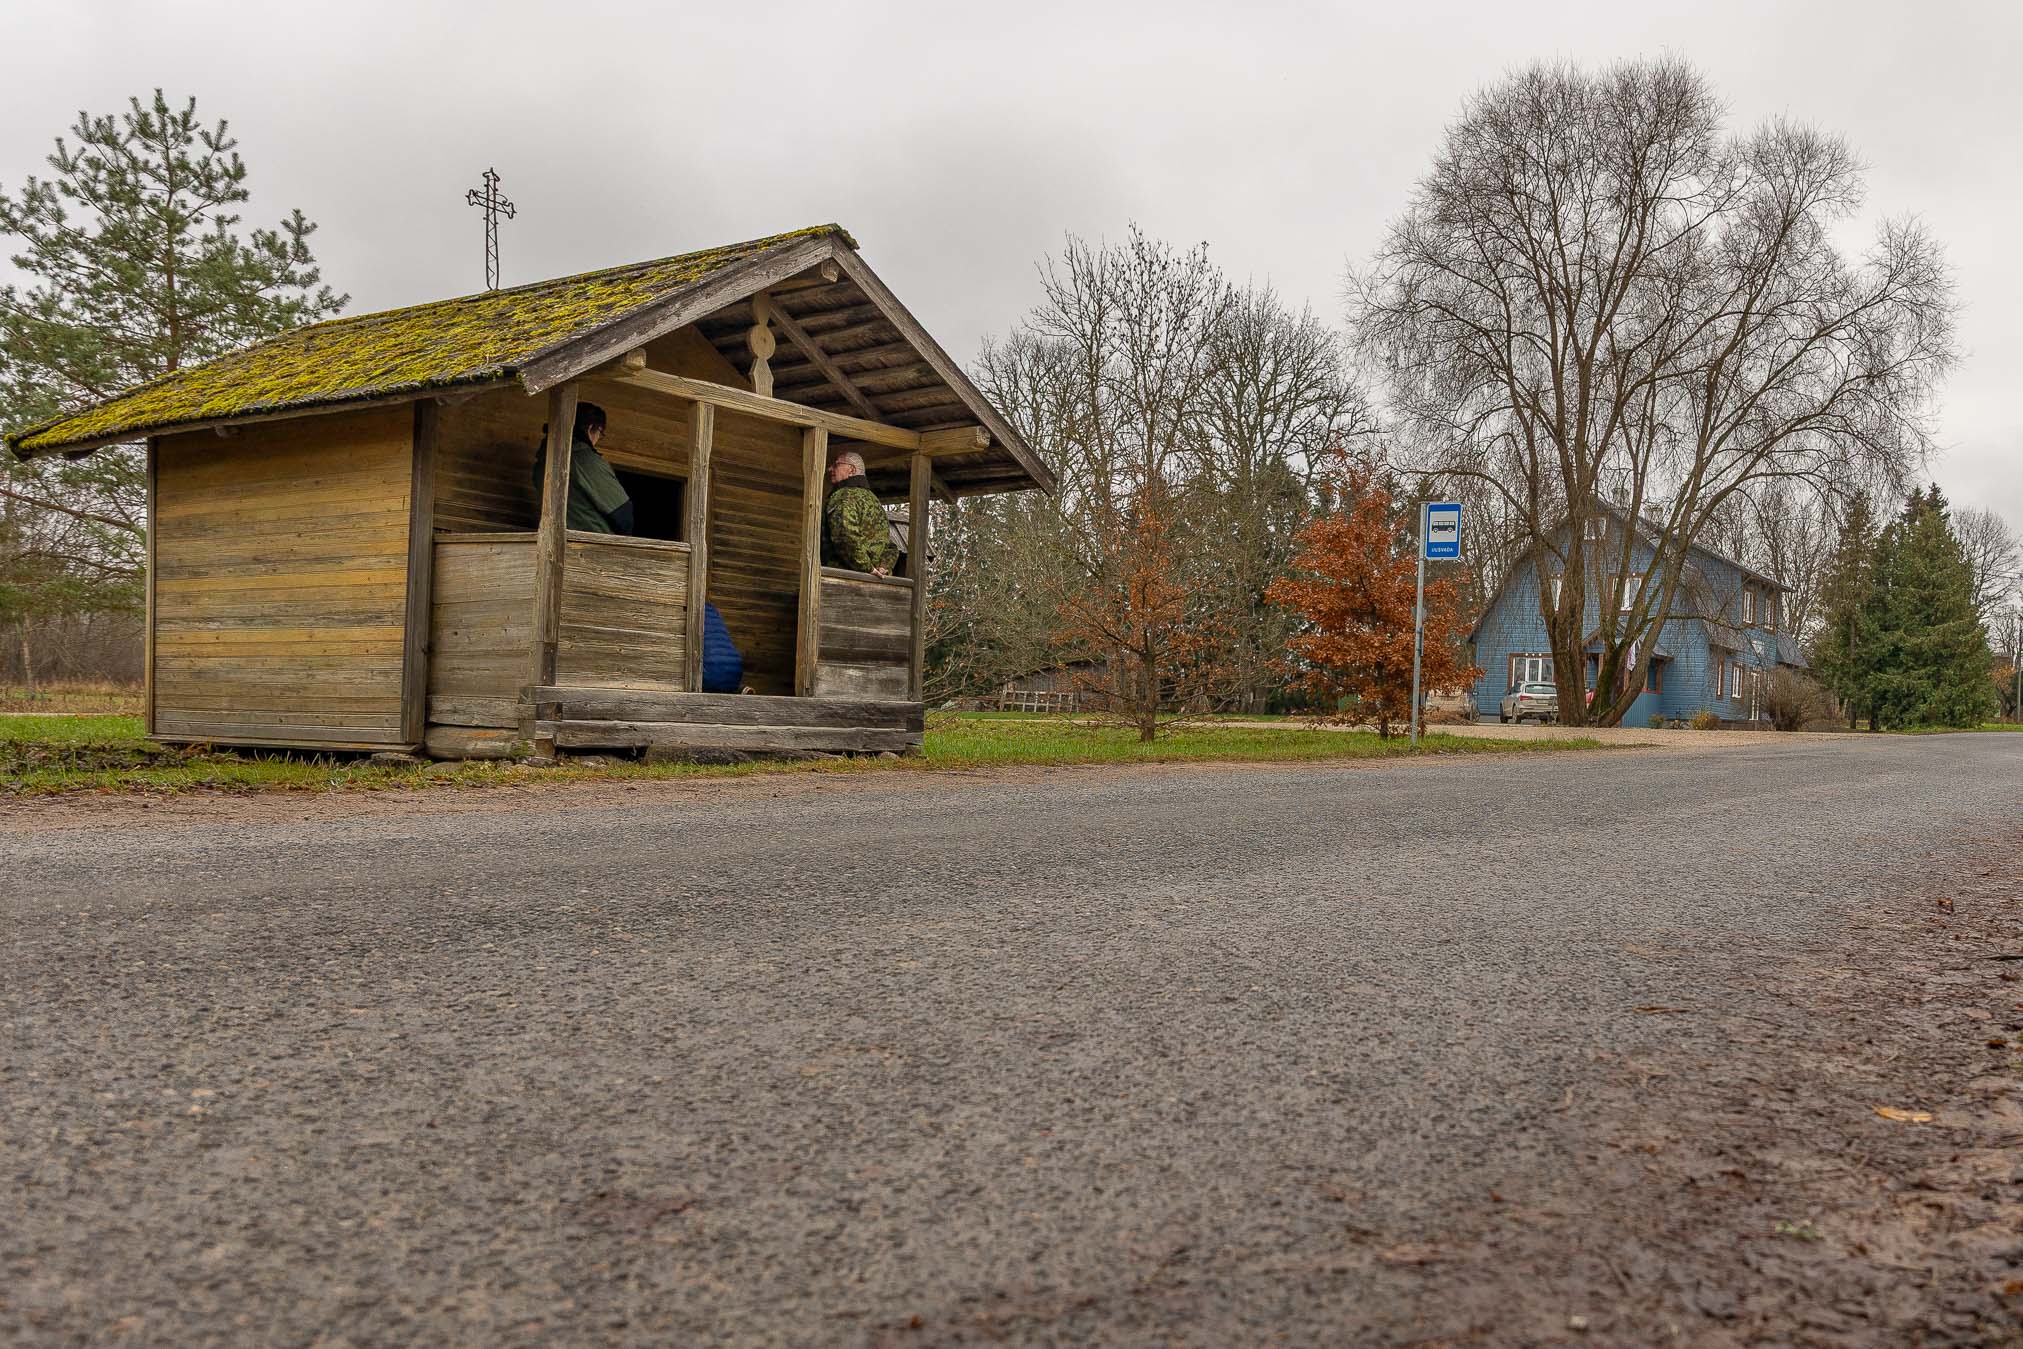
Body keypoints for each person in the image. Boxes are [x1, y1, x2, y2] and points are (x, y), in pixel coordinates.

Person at [532, 402, 633, 534]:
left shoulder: (542, 464)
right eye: (600, 434)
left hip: (559, 542)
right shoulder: (585, 460)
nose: (597, 439)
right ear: (591, 428)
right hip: (593, 546)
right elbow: (621, 512)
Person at [822, 450, 899, 575]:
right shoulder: (875, 501)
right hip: (872, 584)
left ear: (851, 470)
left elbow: (844, 536)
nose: (830, 468)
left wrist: (867, 568)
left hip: (842, 579)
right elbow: (890, 547)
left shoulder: (844, 495)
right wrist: (883, 567)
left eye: (836, 464)